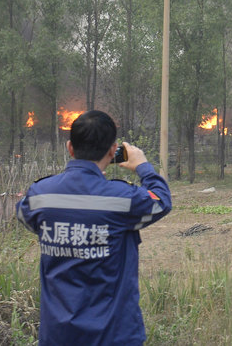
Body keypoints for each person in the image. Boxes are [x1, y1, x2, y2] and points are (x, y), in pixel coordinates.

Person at [16, 110, 172, 345]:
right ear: (113, 150)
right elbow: (161, 201)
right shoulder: (123, 199)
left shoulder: (40, 195)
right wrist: (142, 166)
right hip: (113, 336)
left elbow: (25, 215)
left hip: (58, 337)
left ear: (70, 148)